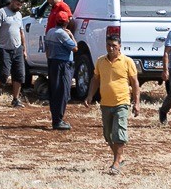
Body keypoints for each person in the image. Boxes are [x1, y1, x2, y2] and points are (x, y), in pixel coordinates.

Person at [84, 33, 141, 174]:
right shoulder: (100, 61)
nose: (111, 48)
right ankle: (119, 157)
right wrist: (90, 95)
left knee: (119, 132)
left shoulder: (127, 62)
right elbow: (95, 79)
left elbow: (135, 83)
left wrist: (137, 102)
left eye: (114, 46)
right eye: (109, 45)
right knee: (108, 135)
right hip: (105, 103)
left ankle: (116, 162)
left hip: (122, 102)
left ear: (120, 47)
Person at [0, 0, 28, 107]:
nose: (19, 7)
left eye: (21, 5)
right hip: (4, 48)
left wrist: (24, 49)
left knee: (19, 74)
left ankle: (15, 99)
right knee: (3, 74)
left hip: (17, 48)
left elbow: (21, 32)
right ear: (13, 1)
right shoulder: (2, 12)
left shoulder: (19, 14)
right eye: (18, 4)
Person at [44, 18, 79, 130]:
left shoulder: (50, 32)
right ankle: (58, 120)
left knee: (54, 91)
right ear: (66, 24)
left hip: (52, 62)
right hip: (63, 65)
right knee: (63, 92)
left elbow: (47, 50)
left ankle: (56, 118)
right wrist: (71, 35)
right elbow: (75, 48)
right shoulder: (63, 34)